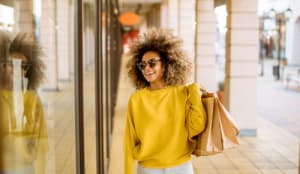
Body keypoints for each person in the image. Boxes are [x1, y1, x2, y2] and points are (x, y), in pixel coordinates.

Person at [124, 28, 207, 174]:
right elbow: (129, 142)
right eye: (142, 65)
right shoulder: (137, 100)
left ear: (166, 64)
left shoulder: (183, 93)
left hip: (181, 167)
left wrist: (194, 91)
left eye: (152, 63)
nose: (147, 68)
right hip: (148, 169)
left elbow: (197, 127)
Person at [0, 31, 48, 174]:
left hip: (25, 169)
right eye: (13, 63)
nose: (18, 69)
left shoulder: (32, 100)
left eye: (24, 65)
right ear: (3, 66)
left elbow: (42, 144)